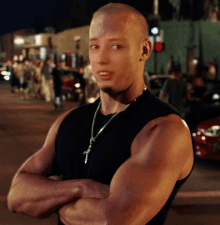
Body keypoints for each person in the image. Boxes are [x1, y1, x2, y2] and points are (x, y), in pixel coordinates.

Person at [7, 3, 194, 225]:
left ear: (144, 50)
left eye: (116, 46)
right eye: (94, 46)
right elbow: (17, 196)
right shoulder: (68, 122)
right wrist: (83, 187)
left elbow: (113, 219)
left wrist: (53, 195)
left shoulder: (164, 130)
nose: (101, 59)